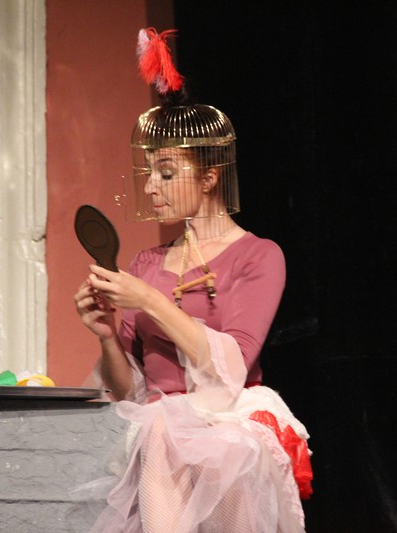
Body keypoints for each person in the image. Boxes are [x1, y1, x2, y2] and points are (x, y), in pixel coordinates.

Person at [74, 28, 312, 532]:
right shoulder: (146, 263)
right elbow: (129, 393)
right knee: (158, 425)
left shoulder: (258, 255)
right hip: (160, 444)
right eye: (148, 173)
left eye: (166, 172)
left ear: (208, 177)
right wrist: (107, 337)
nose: (151, 187)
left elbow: (231, 367)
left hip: (226, 433)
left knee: (190, 437)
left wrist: (150, 301)